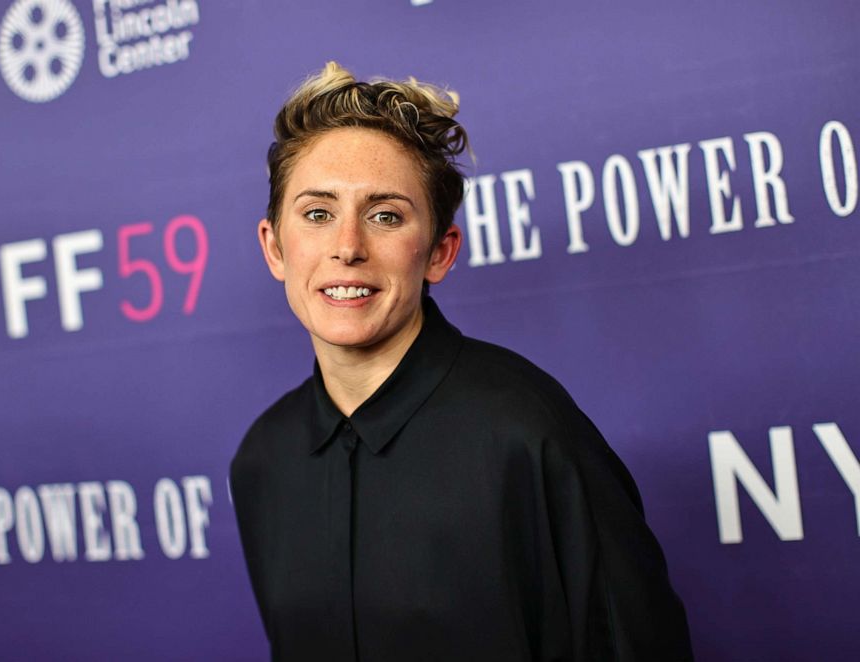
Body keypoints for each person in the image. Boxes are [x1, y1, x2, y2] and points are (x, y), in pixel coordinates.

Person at [230, 62, 693, 662]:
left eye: (385, 215)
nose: (347, 246)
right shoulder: (263, 459)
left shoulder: (528, 434)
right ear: (274, 247)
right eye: (318, 213)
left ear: (440, 253)